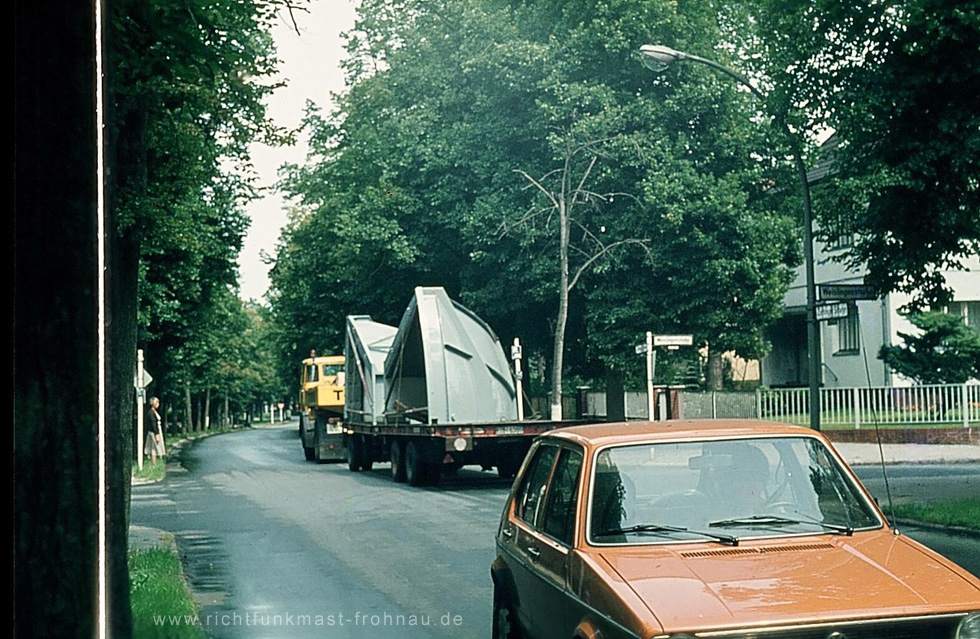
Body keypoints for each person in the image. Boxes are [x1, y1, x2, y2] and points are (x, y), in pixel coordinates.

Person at [144, 396, 165, 464]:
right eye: (157, 402)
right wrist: (157, 434)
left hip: (154, 431)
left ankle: (154, 463)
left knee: (153, 448)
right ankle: (154, 462)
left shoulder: (153, 412)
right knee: (155, 447)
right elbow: (153, 424)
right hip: (154, 432)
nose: (158, 404)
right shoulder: (152, 413)